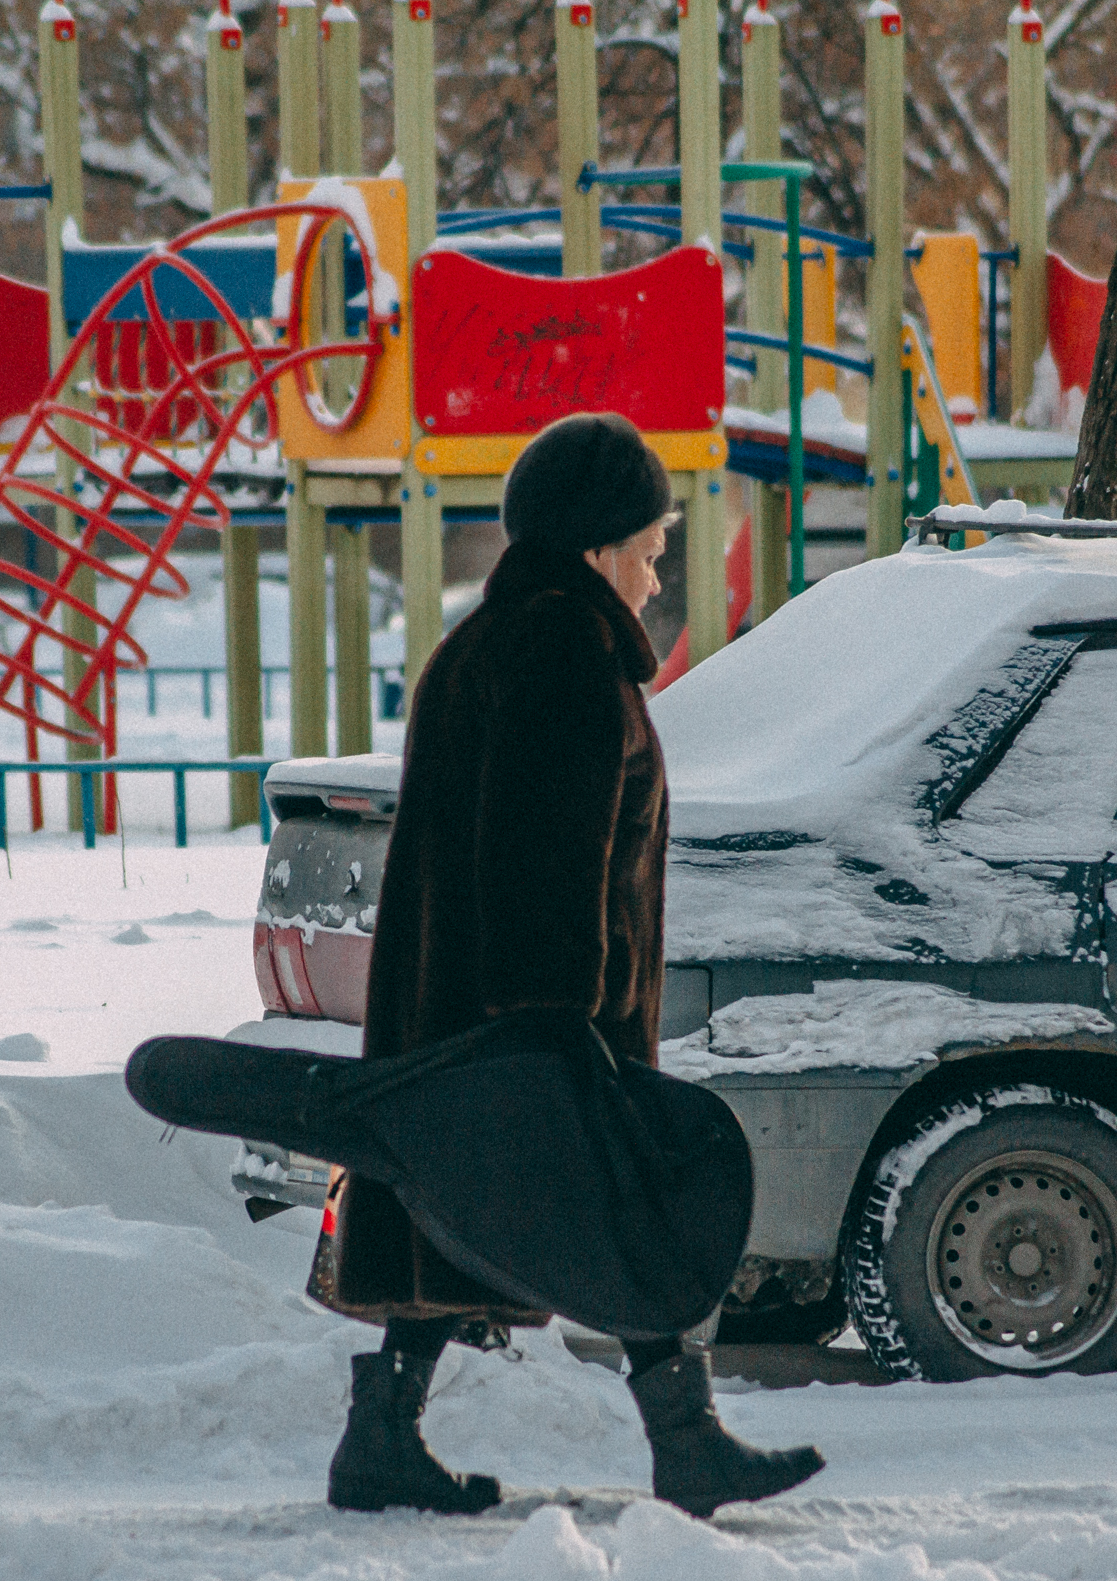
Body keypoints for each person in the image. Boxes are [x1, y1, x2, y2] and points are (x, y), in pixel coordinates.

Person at [313, 412, 825, 1519]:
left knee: (477, 1208)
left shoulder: (489, 642)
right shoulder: (563, 655)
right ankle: (682, 1444)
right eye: (647, 551)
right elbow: (547, 851)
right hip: (537, 1019)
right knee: (617, 1206)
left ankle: (387, 1439)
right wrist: (560, 1024)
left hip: (464, 1008)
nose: (654, 577)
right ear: (597, 548)